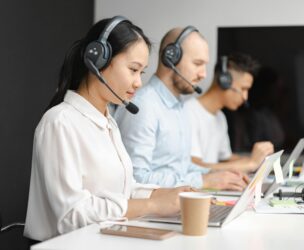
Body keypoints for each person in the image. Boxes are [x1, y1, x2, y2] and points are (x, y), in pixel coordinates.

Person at [24, 16, 191, 242]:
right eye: (133, 69)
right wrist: (152, 205)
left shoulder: (108, 122)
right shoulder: (60, 122)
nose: (138, 82)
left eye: (141, 73)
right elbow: (71, 215)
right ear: (98, 59)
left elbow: (121, 189)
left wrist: (164, 194)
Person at [114, 26, 249, 191]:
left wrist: (220, 174)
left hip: (175, 205)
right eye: (197, 64)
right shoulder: (144, 106)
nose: (203, 74)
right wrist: (202, 181)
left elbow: (182, 167)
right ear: (171, 57)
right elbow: (136, 178)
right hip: (148, 213)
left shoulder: (180, 107)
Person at [184, 53, 274, 173]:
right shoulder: (188, 112)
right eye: (243, 89)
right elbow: (194, 167)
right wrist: (250, 164)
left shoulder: (220, 117)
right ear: (224, 81)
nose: (245, 97)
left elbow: (225, 159)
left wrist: (258, 160)